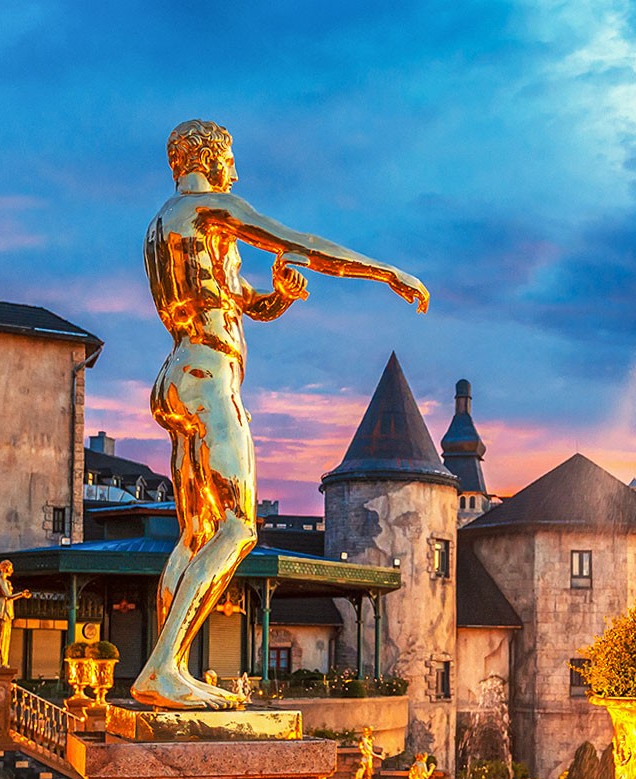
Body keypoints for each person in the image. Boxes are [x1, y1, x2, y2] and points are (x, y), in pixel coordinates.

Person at [131, 119, 427, 709]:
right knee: (240, 528)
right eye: (230, 159)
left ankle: (168, 671)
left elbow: (245, 305)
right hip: (210, 374)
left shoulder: (164, 227)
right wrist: (385, 271)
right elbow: (305, 242)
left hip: (178, 374)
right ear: (210, 159)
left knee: (195, 537)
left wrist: (282, 295)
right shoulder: (213, 208)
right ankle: (163, 668)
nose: (235, 172)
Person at [0, 560, 30, 669]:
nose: (12, 570)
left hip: (6, 610)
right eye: (10, 568)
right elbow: (7, 595)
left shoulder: (7, 582)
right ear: (6, 568)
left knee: (4, 636)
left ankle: (2, 660)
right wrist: (22, 594)